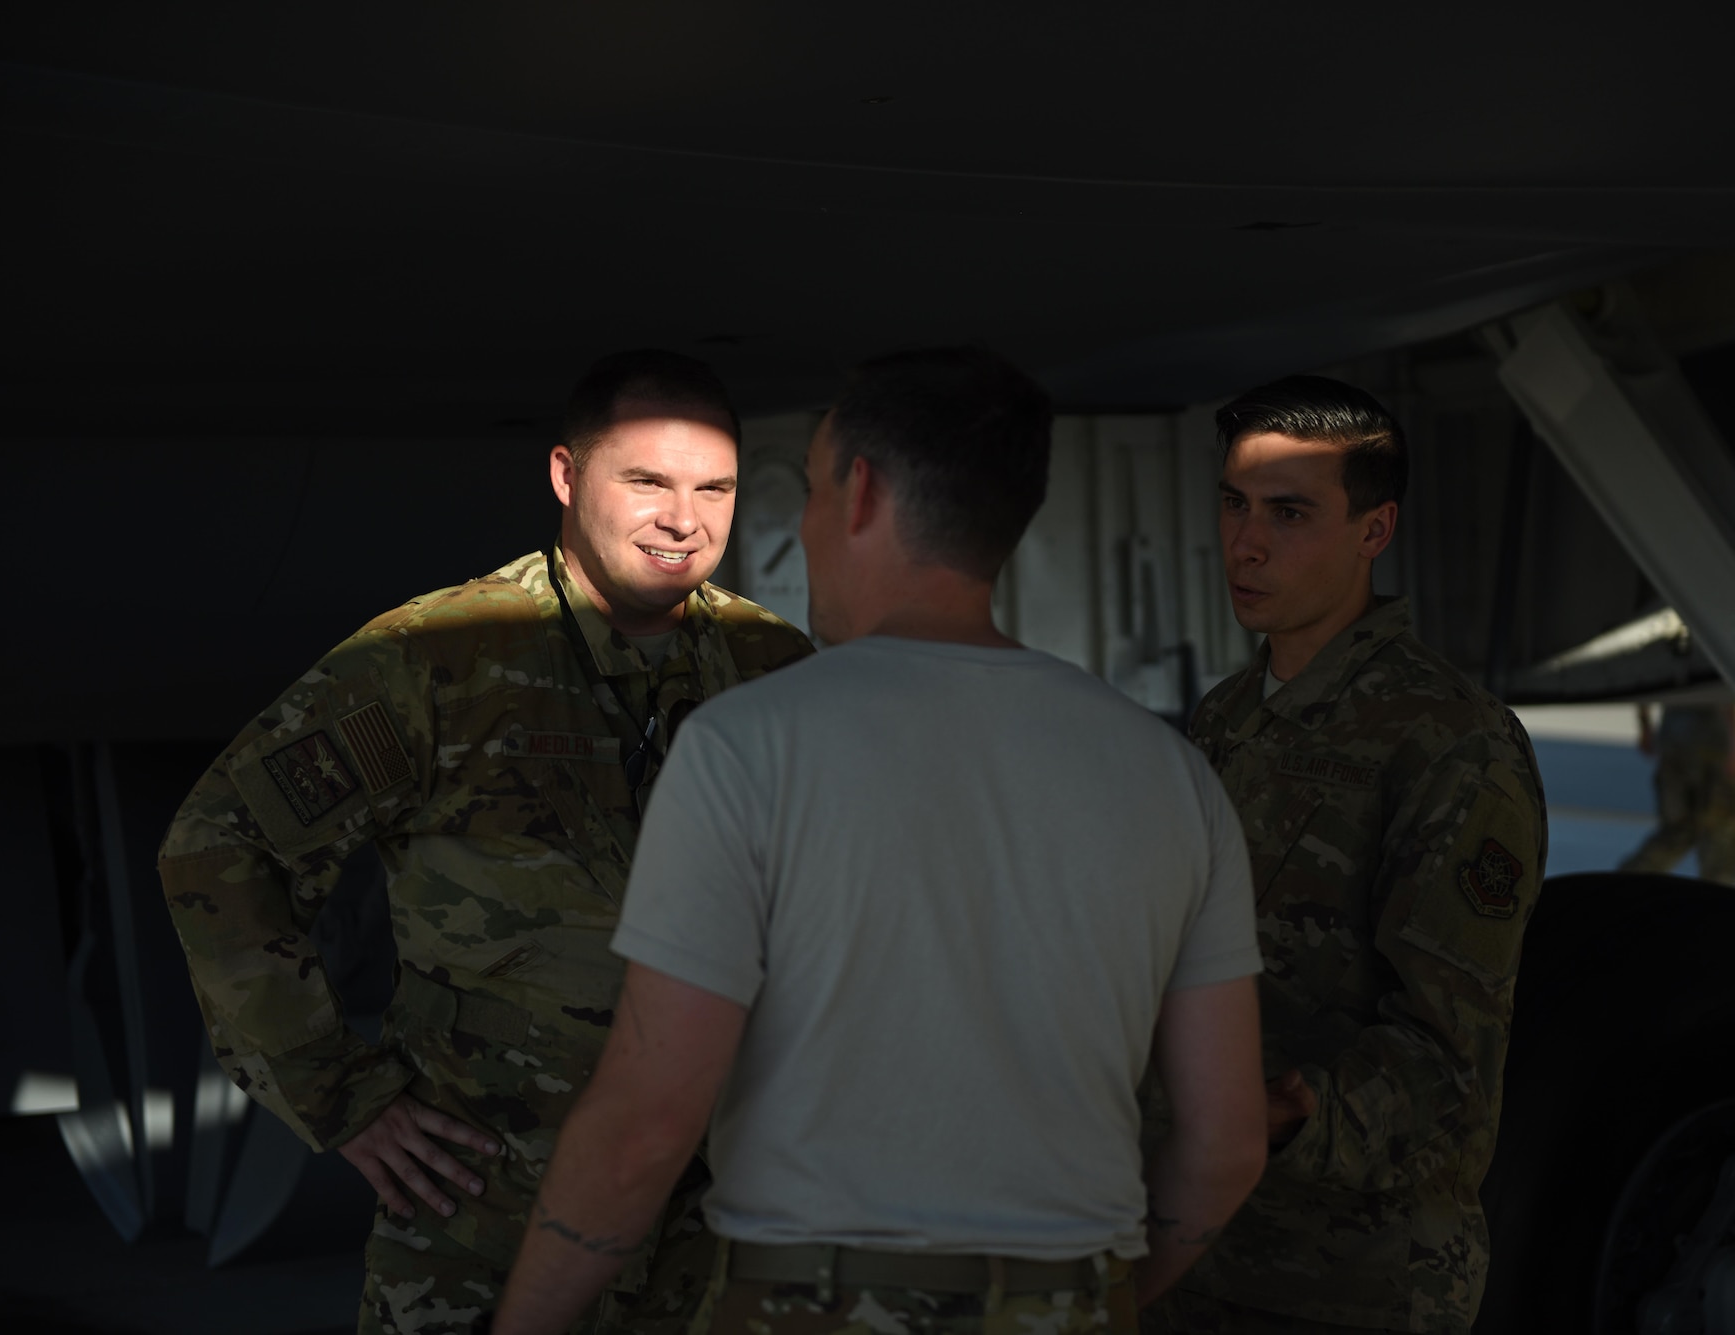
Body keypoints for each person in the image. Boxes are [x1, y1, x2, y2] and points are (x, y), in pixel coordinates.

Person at [488, 348, 1271, 1335]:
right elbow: (1227, 1144)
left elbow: (645, 1122)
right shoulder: (1169, 777)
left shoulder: (746, 747)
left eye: (809, 491)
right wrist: (1090, 1301)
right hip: (1072, 1293)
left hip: (806, 1299)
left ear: (857, 493)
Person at [157, 350, 814, 1335]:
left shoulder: (774, 669)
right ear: (564, 475)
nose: (684, 519)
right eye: (646, 482)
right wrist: (339, 1092)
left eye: (711, 488)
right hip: (485, 1219)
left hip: (717, 1220)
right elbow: (220, 846)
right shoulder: (438, 661)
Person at [1153, 376, 1549, 1335]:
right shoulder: (1230, 717)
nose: (1246, 543)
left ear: (1375, 531)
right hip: (1206, 1252)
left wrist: (1288, 1113)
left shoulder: (1452, 742)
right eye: (1235, 505)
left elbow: (1448, 1064)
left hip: (1356, 1284)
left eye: (1289, 513)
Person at [1619, 698, 1735, 884]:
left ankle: (1629, 880)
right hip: (1712, 740)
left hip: (1674, 736)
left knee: (1677, 828)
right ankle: (1720, 899)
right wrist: (1734, 747)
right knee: (1721, 830)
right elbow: (1726, 689)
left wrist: (1645, 724)